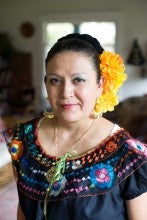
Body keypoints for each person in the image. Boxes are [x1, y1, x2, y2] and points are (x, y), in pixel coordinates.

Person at [1, 33, 147, 220]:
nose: (65, 92)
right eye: (55, 80)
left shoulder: (129, 155)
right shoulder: (22, 139)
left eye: (78, 79)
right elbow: (23, 211)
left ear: (100, 85)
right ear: (46, 84)